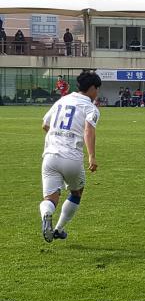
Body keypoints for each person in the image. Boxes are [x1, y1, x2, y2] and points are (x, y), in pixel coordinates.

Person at [39, 70, 101, 243]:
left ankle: (46, 213)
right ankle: (58, 228)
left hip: (50, 156)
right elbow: (89, 130)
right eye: (97, 89)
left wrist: (58, 136)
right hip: (71, 158)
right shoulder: (91, 108)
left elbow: (45, 124)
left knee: (50, 198)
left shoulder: (63, 99)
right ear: (92, 88)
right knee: (76, 192)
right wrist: (91, 156)